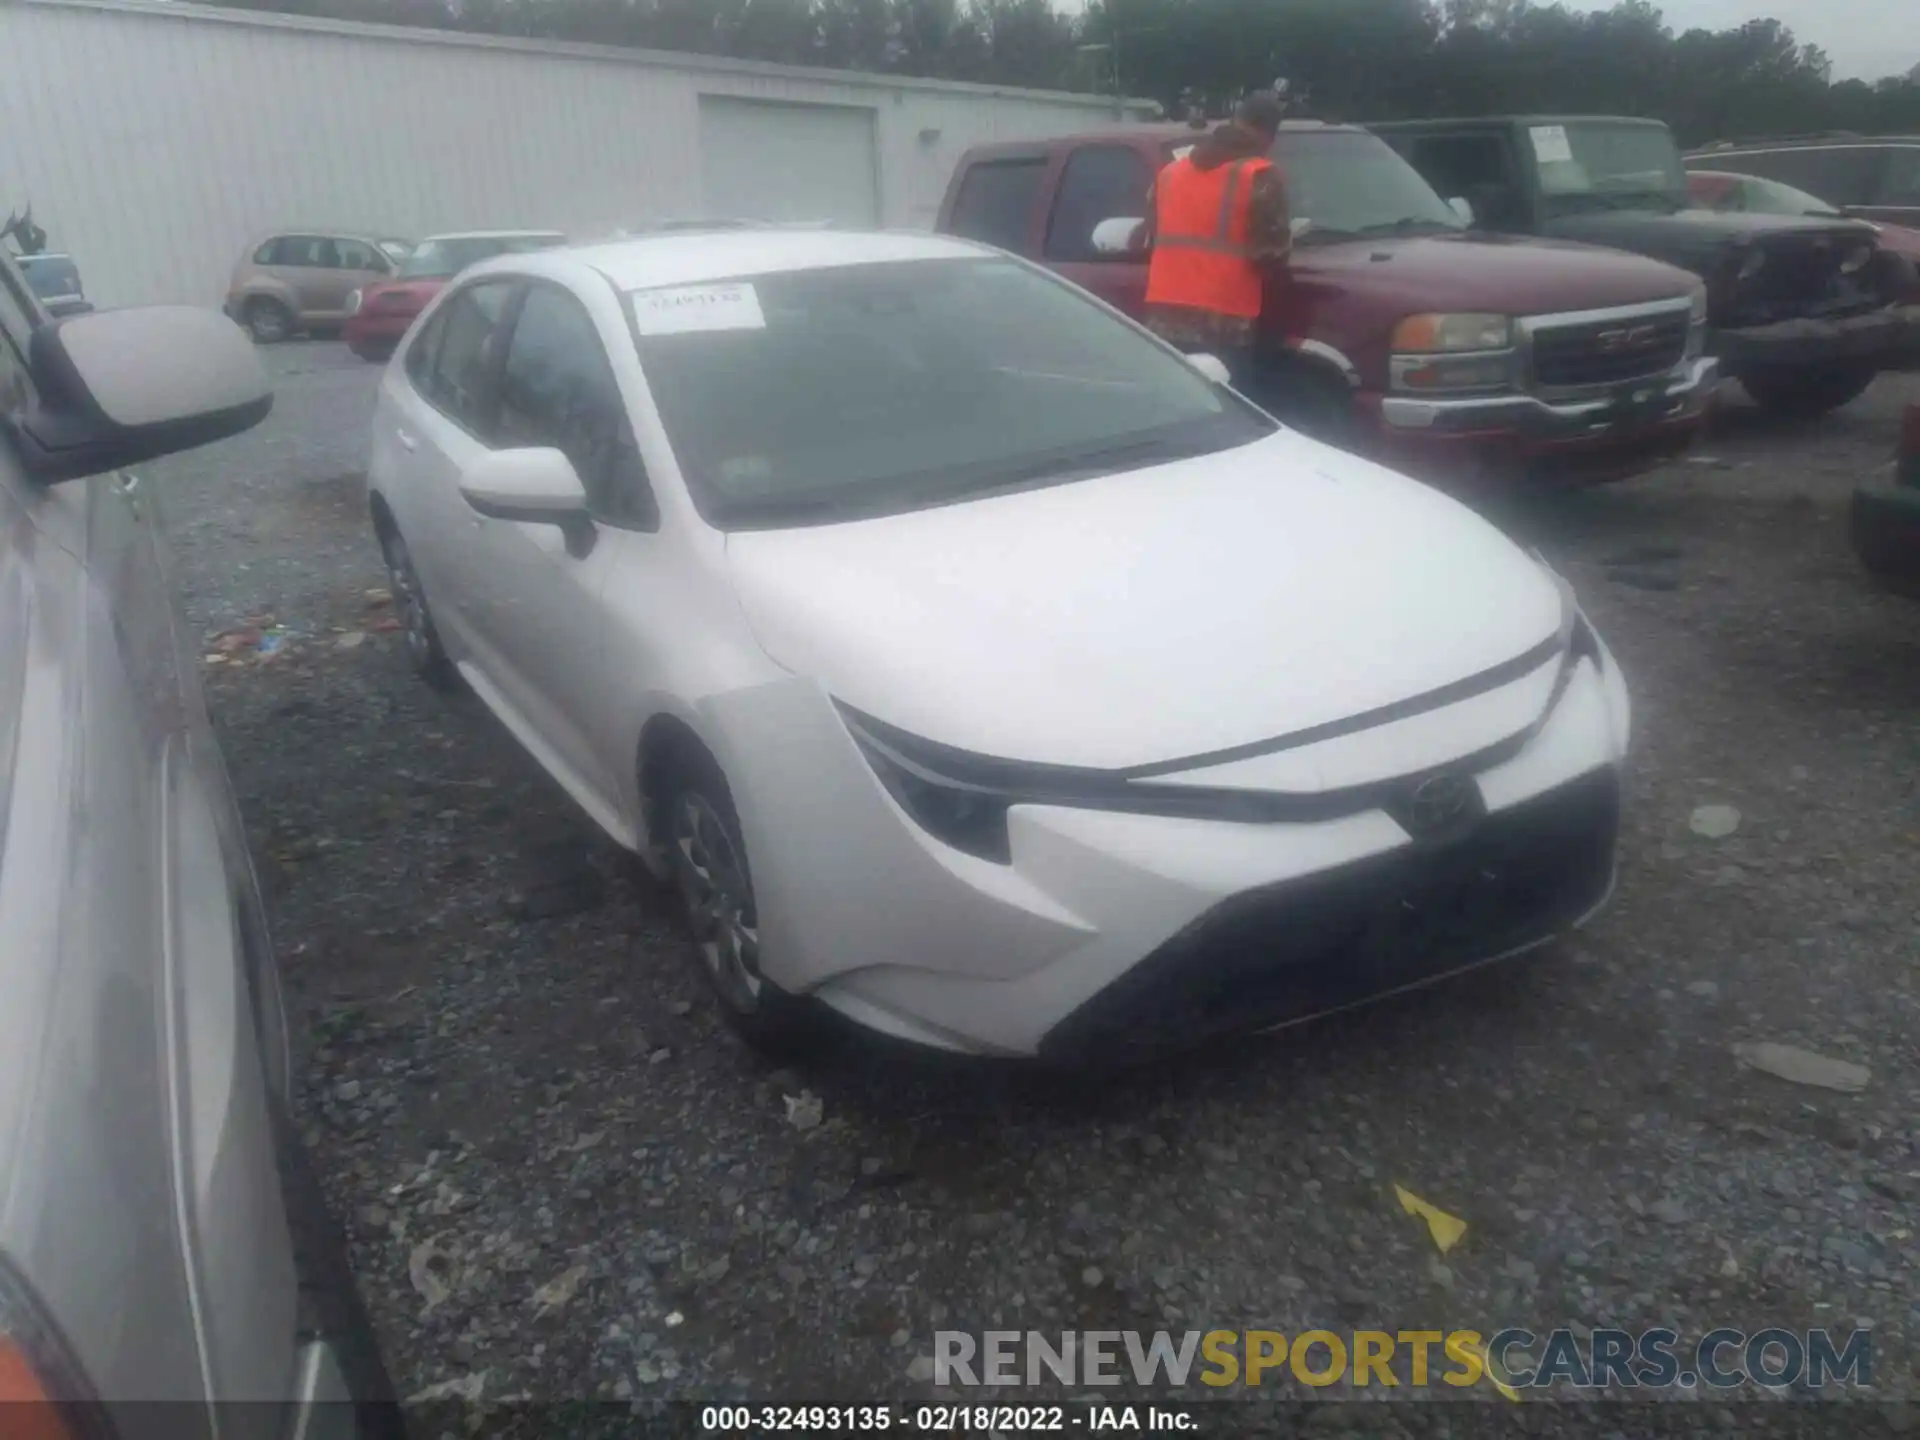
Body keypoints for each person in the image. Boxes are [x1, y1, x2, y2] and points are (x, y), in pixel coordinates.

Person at [1136, 92, 1291, 385]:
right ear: (1269, 134)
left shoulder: (1170, 173)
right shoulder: (1260, 176)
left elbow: (1150, 237)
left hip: (1164, 318)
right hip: (1226, 323)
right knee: (1231, 414)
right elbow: (1271, 254)